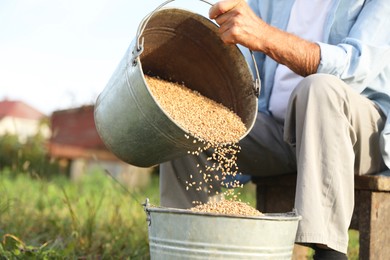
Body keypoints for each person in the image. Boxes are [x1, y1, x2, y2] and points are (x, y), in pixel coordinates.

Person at [159, 0, 390, 258]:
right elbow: (244, 67)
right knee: (190, 120)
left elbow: (354, 68)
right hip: (280, 132)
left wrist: (265, 36)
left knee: (320, 89)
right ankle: (187, 246)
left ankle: (329, 253)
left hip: (359, 135)